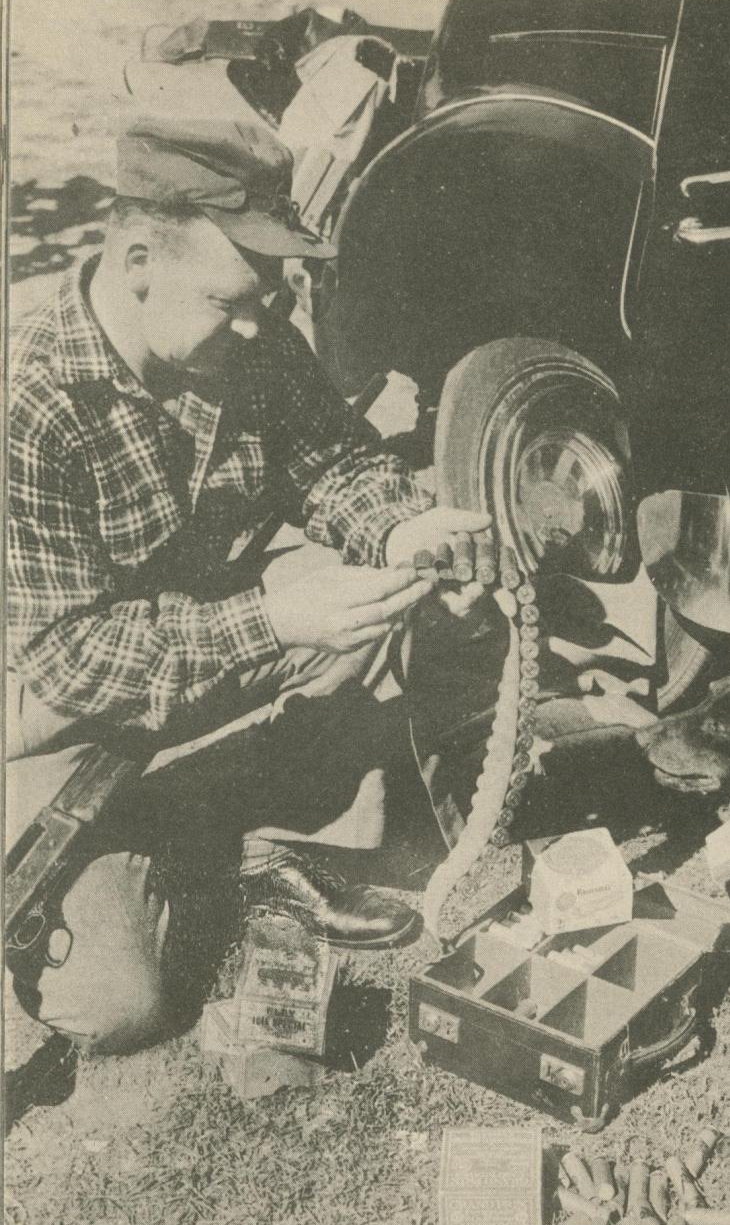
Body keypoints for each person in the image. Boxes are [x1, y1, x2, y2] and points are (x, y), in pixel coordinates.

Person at [6, 115, 490, 1053]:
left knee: (376, 595)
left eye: (269, 298)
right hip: (51, 715)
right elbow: (70, 661)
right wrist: (272, 617)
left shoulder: (247, 336)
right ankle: (175, 838)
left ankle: (228, 835)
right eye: (234, 300)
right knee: (118, 1004)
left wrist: (402, 529)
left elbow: (327, 463)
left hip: (197, 648)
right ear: (139, 257)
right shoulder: (30, 402)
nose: (258, 323)